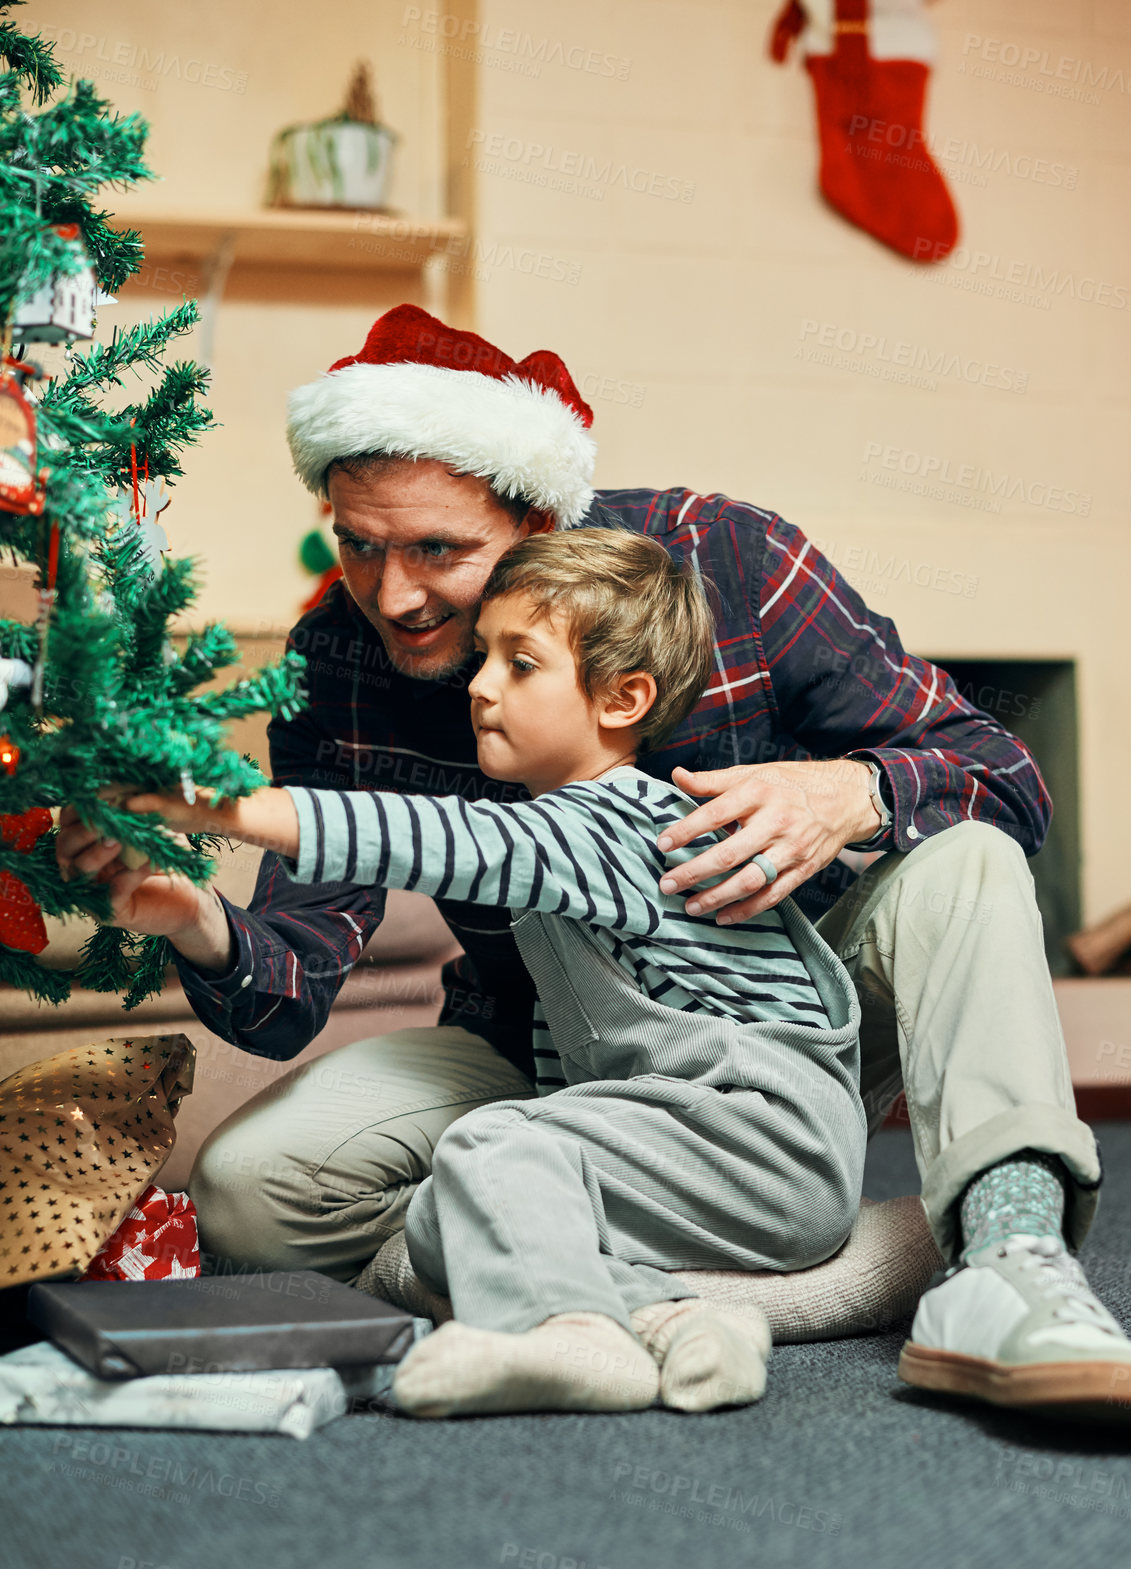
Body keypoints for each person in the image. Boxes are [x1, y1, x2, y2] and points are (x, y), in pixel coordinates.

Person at [60, 304, 1129, 1421]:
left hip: (774, 1045)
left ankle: (1006, 1253)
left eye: (439, 550)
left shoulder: (730, 561)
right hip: (541, 1045)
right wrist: (200, 920)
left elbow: (1000, 772)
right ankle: (763, 1281)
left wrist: (846, 793)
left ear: (534, 518)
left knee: (965, 856)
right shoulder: (341, 651)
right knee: (248, 1194)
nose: (394, 596)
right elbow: (292, 982)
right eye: (358, 543)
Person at [131, 527, 869, 1417]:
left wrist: (223, 804)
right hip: (697, 1138)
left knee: (491, 1145)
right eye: (484, 656)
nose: (479, 685)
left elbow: (439, 839)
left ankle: (572, 1338)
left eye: (520, 664)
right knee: (481, 1201)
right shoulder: (565, 829)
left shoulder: (607, 821)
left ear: (623, 698)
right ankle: (682, 1324)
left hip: (760, 1135)